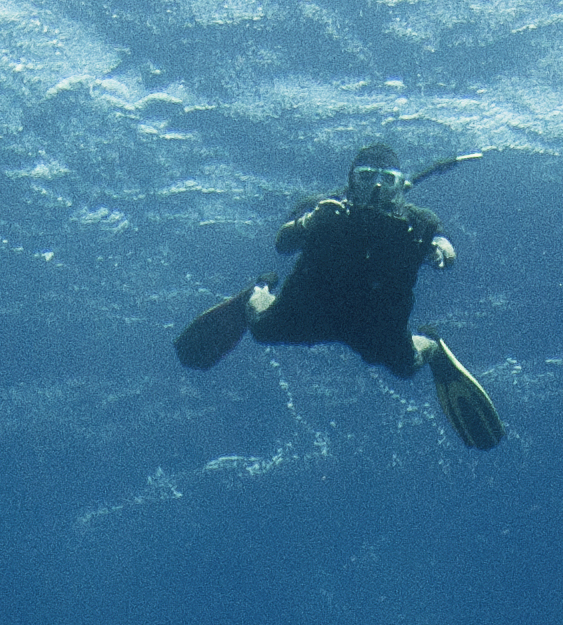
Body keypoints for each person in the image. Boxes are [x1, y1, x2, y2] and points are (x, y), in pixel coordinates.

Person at [174, 144, 505, 450]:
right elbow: (283, 243)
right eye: (365, 178)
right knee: (261, 327)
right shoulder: (324, 210)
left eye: (387, 180)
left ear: (400, 185)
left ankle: (431, 345)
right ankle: (259, 290)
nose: (376, 188)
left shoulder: (418, 223)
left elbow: (447, 246)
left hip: (375, 322)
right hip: (310, 307)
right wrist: (307, 223)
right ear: (351, 180)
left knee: (407, 365)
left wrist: (440, 252)